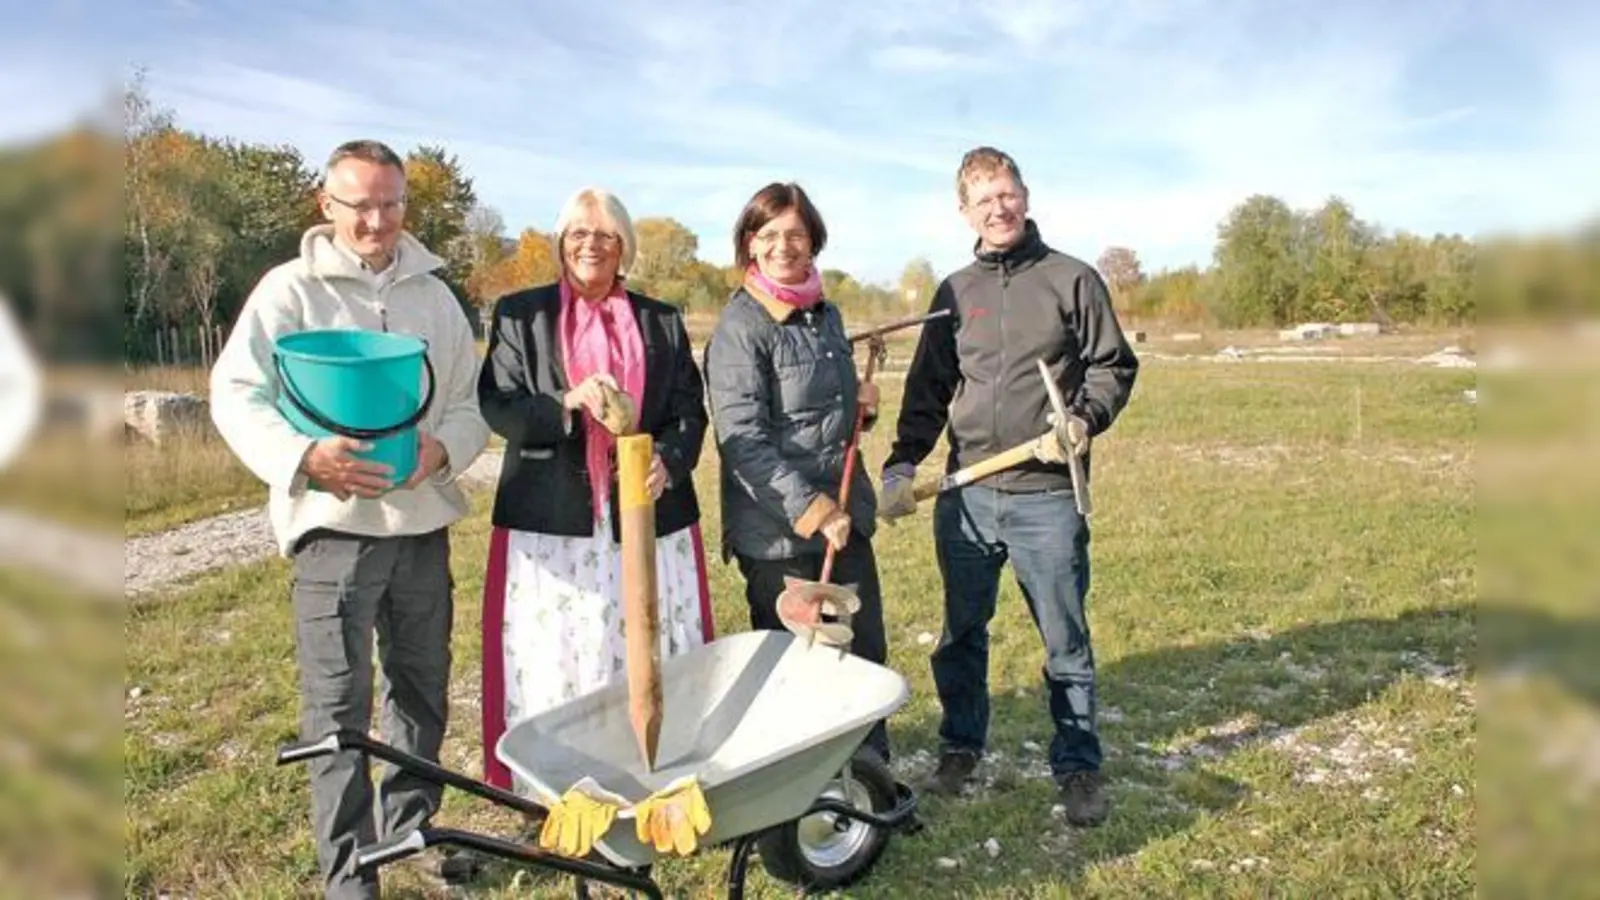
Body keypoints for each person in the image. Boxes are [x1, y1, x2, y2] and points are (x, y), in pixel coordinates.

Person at [209, 139, 491, 898]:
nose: (376, 220)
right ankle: (347, 875)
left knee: (423, 688)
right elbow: (236, 392)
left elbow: (468, 405)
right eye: (359, 204)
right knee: (337, 707)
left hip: (421, 528)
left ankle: (410, 835)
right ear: (326, 204)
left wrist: (442, 451)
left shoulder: (435, 297)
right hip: (334, 533)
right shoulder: (288, 292)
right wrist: (305, 456)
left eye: (390, 203)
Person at [878, 146, 1139, 825]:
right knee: (961, 633)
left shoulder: (1071, 279)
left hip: (1046, 496)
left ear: (1024, 195)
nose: (998, 208)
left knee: (1064, 638)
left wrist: (1083, 419)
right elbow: (929, 388)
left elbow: (1114, 365)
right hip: (967, 495)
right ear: (964, 211)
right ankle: (960, 748)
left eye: (1006, 193)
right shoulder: (955, 292)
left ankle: (1078, 764)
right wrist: (902, 463)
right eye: (982, 199)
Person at [476, 187, 715, 799]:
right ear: (561, 242)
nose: (591, 245)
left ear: (623, 248)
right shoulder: (518, 314)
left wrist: (671, 458)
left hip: (647, 513)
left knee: (650, 638)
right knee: (565, 646)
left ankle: (659, 767)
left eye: (606, 235)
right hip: (554, 520)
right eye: (579, 233)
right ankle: (563, 782)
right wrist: (566, 404)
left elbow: (689, 407)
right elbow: (498, 406)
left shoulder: (659, 319)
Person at [702, 181, 891, 764]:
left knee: (859, 659)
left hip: (845, 521)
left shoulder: (824, 315)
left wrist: (862, 406)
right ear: (750, 246)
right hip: (780, 535)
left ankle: (867, 784)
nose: (784, 246)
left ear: (813, 242)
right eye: (769, 235)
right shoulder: (741, 328)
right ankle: (798, 801)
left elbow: (822, 417)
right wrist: (814, 509)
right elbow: (744, 441)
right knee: (798, 670)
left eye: (796, 234)